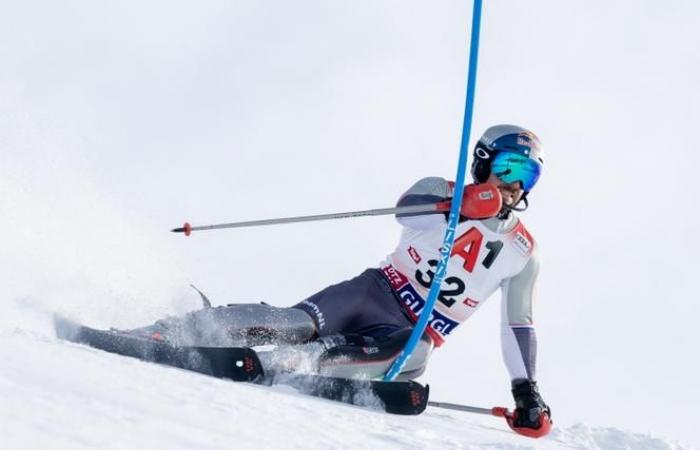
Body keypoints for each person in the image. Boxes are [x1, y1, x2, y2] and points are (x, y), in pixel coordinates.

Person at [126, 124, 551, 433]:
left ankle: (288, 365)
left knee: (409, 353)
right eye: (509, 167)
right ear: (482, 162)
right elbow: (406, 209)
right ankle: (178, 329)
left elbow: (518, 325)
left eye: (527, 176)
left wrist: (525, 392)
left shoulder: (522, 252)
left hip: (412, 331)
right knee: (294, 324)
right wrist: (460, 204)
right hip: (372, 292)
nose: (514, 185)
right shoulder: (443, 189)